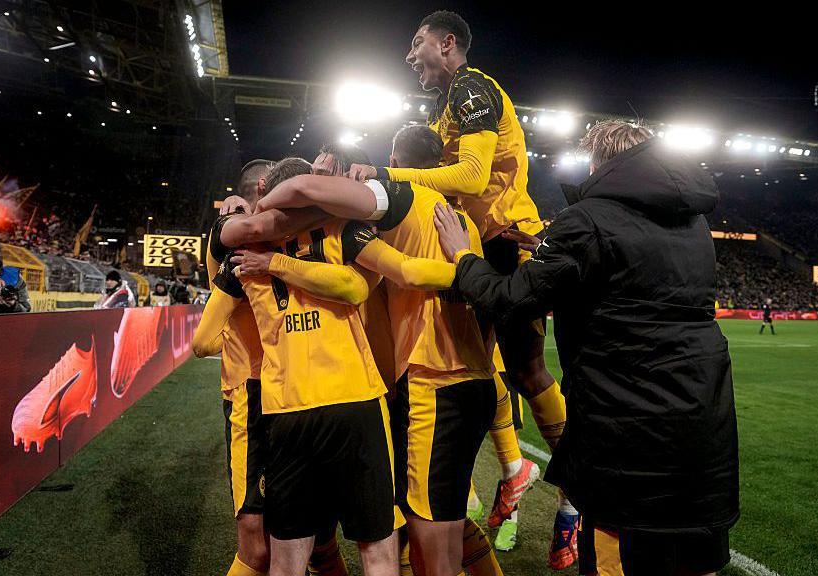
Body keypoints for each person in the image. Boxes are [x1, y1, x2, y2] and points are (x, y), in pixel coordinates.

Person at [433, 120, 739, 576]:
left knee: (614, 555)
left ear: (600, 162)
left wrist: (463, 258)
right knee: (695, 559)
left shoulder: (587, 219)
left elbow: (511, 298)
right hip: (703, 415)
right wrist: (548, 249)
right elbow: (631, 272)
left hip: (626, 424)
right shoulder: (694, 219)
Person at [327, 11, 571, 563]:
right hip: (472, 244)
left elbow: (471, 177)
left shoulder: (472, 87)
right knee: (479, 367)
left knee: (524, 369)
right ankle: (508, 471)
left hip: (504, 240)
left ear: (448, 43)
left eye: (417, 44)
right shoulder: (445, 107)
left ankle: (575, 490)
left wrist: (388, 178)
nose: (410, 56)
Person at [229, 158, 400, 576]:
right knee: (376, 545)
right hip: (353, 397)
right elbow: (355, 286)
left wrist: (270, 259)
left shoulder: (244, 248)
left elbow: (202, 340)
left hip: (286, 407)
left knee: (288, 556)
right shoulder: (342, 229)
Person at [193, 158, 363, 576]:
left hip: (297, 392)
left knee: (320, 540)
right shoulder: (232, 230)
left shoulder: (293, 238)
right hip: (250, 394)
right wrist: (345, 198)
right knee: (256, 543)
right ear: (267, 188)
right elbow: (203, 341)